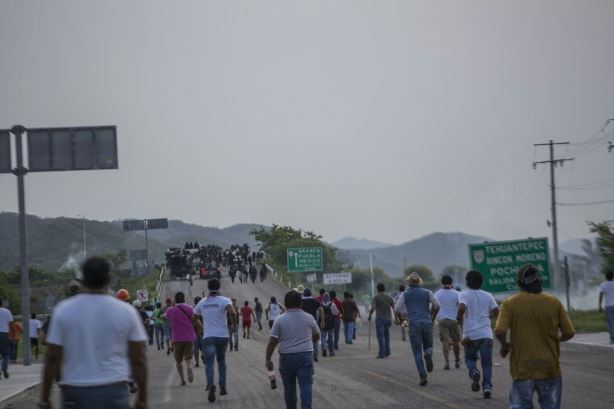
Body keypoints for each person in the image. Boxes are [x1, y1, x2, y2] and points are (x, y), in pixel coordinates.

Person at [40, 257, 147, 409]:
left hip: (75, 391)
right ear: (109, 278)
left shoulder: (63, 311)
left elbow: (52, 357)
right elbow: (139, 359)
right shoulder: (126, 311)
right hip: (113, 390)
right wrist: (142, 398)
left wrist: (45, 398)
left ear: (83, 278)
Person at [495, 265, 575, 408]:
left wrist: (504, 345)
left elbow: (499, 331)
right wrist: (556, 339)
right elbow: (569, 332)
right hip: (550, 369)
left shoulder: (509, 303)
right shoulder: (554, 302)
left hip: (522, 370)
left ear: (520, 284)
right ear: (540, 282)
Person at [265, 290, 321, 409]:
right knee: (306, 386)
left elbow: (272, 342)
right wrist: (308, 343)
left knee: (289, 388)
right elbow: (317, 335)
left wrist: (268, 359)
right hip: (306, 355)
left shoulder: (279, 320)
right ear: (301, 303)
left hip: (286, 358)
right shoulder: (309, 317)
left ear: (285, 304)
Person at [193, 278, 237, 403]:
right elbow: (232, 313)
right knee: (221, 360)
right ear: (219, 287)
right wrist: (233, 326)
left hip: (209, 337)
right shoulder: (225, 300)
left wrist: (201, 328)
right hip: (223, 336)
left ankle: (211, 384)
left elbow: (194, 318)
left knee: (209, 362)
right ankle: (222, 386)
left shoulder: (202, 302)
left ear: (208, 288)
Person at [457, 270, 499, 399]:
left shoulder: (463, 294)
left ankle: (474, 372)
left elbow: (462, 308)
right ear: (481, 282)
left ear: (467, 282)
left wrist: (459, 318)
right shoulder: (488, 295)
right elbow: (498, 312)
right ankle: (487, 388)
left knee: (470, 359)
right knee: (487, 363)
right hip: (486, 334)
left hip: (470, 335)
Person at [394, 272, 439, 386]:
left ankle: (423, 375)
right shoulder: (428, 292)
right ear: (420, 282)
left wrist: (402, 320)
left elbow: (396, 309)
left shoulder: (405, 294)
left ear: (408, 283)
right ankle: (428, 353)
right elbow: (437, 305)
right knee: (428, 346)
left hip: (414, 324)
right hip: (427, 322)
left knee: (417, 352)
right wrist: (432, 317)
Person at [164, 292, 196, 385]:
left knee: (178, 361)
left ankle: (182, 379)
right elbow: (195, 318)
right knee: (188, 357)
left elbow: (164, 318)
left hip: (177, 338)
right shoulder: (190, 308)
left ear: (175, 300)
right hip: (189, 337)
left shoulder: (171, 310)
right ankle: (189, 367)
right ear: (184, 299)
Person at [434, 275, 461, 370]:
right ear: (451, 283)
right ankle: (457, 360)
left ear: (442, 283)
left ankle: (447, 362)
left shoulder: (437, 293)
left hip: (442, 320)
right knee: (456, 341)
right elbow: (460, 306)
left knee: (445, 341)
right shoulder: (457, 294)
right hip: (454, 320)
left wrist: (433, 318)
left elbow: (434, 306)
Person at [368, 283, 395, 358]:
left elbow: (373, 308)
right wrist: (397, 317)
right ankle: (387, 351)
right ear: (384, 288)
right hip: (388, 319)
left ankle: (381, 353)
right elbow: (394, 308)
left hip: (380, 319)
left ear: (377, 289)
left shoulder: (376, 297)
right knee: (386, 335)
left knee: (381, 336)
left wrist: (369, 315)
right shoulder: (389, 298)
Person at [301, 289, 324, 362]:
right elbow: (321, 310)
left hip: (303, 322)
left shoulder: (300, 301)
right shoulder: (315, 301)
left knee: (304, 339)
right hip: (313, 321)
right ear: (311, 293)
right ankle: (315, 356)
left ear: (304, 294)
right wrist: (323, 321)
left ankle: (306, 355)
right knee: (315, 338)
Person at [598, 270, 614, 343]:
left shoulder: (603, 285)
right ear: (612, 276)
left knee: (610, 323)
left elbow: (601, 296)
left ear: (606, 277)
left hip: (608, 306)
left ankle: (612, 339)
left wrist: (599, 306)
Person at [0, 300, 13, 379]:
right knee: (6, 353)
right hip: (4, 334)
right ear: (2, 303)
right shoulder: (7, 311)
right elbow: (11, 324)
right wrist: (12, 335)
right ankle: (4, 367)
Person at [193, 296, 203, 367]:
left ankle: (197, 362)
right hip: (202, 331)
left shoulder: (192, 310)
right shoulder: (203, 309)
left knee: (195, 348)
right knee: (203, 346)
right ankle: (203, 354)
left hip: (193, 332)